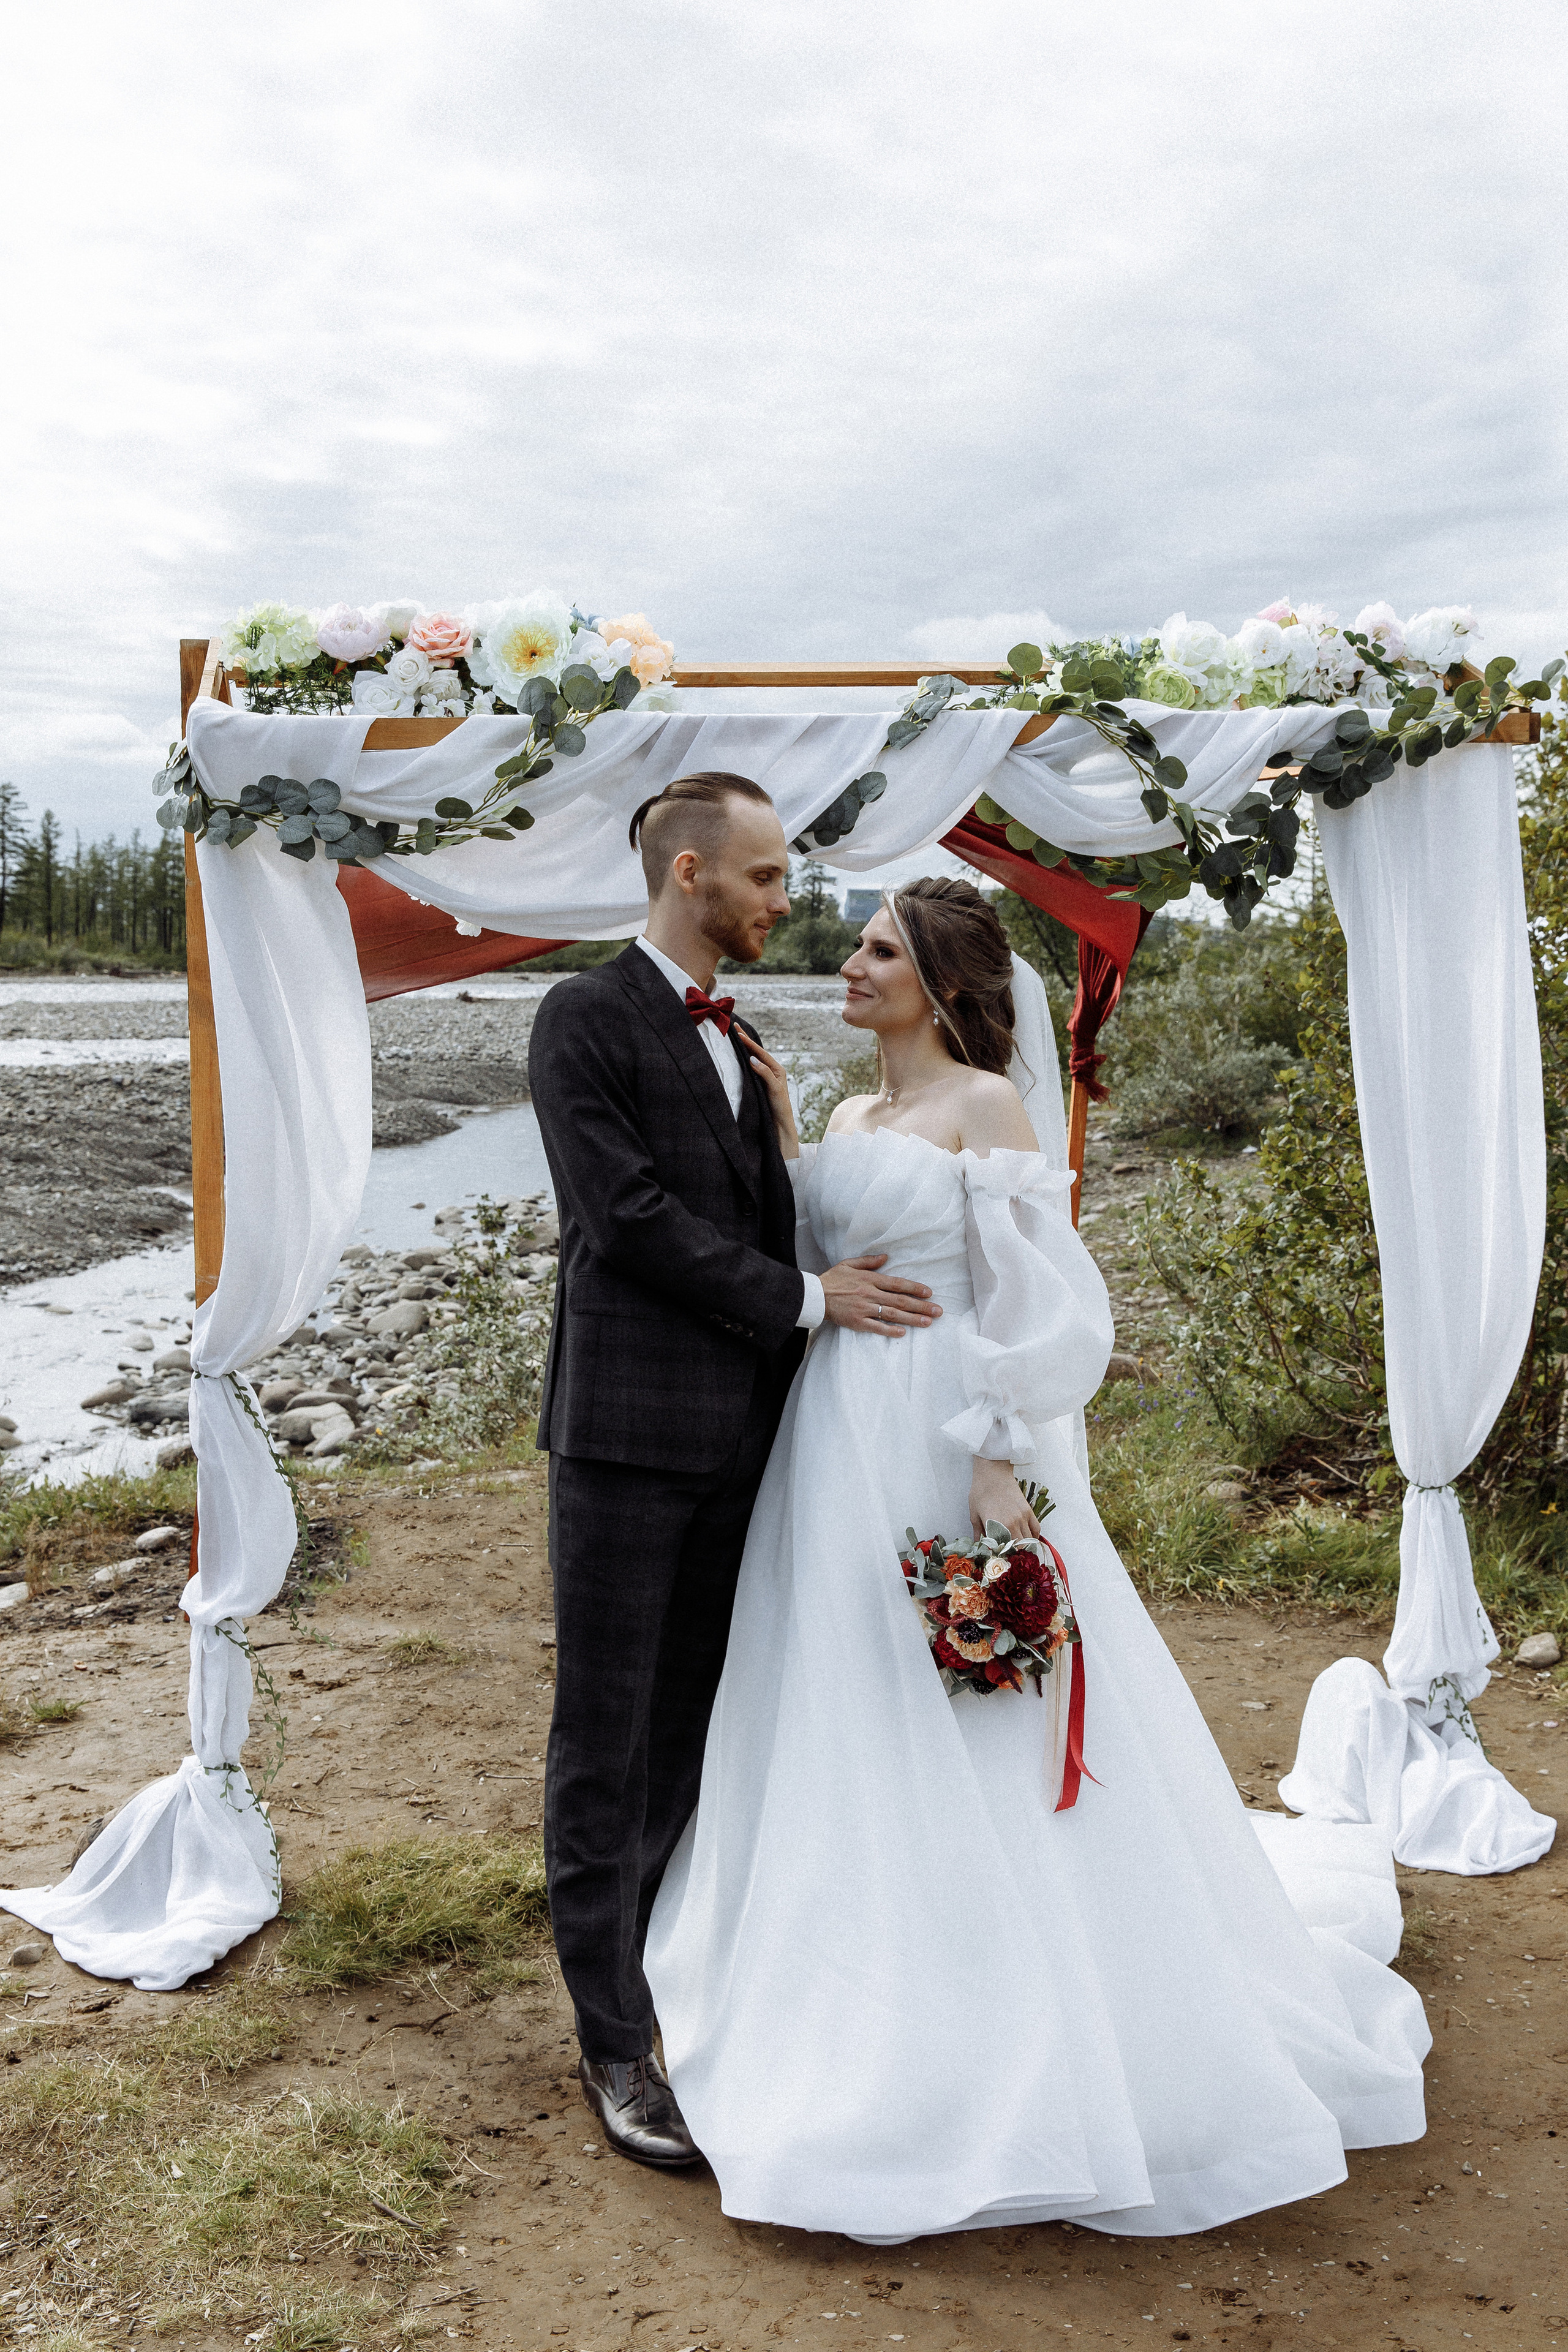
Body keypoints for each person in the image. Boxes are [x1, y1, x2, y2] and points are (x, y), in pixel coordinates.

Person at [643, 876, 1431, 2241]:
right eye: (854, 946)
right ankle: (859, 1953)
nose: (849, 964)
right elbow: (822, 1259)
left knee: (974, 1692)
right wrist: (785, 1141)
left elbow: (1042, 1300)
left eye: (878, 950)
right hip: (835, 1432)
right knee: (842, 1680)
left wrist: (997, 1458)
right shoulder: (847, 1114)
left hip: (941, 1426)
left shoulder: (984, 1109)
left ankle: (1030, 1985)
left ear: (941, 983)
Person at [527, 774, 946, 2169]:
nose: (785, 899)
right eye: (765, 877)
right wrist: (812, 1300)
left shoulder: (740, 1036)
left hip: (748, 1445)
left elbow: (747, 1212)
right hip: (626, 1438)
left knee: (693, 1729)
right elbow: (625, 1218)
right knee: (604, 1736)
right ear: (689, 872)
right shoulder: (583, 1017)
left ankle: (670, 1977)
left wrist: (788, 1158)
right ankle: (611, 2045)